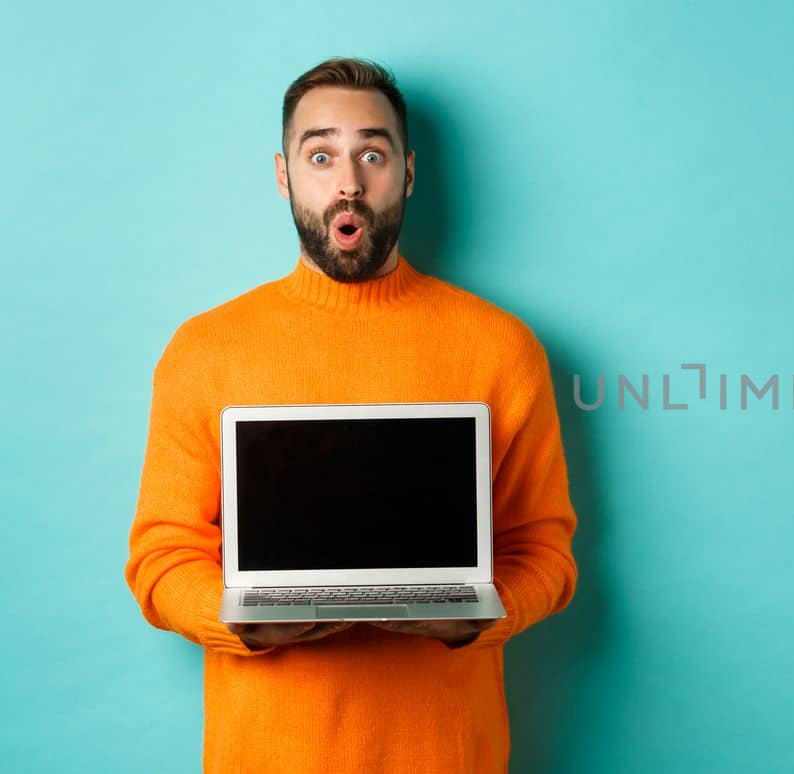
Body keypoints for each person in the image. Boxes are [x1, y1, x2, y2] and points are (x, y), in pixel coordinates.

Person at [123, 57, 579, 773]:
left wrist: (481, 618)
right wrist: (244, 620)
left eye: (372, 153)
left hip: (447, 756)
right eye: (321, 154)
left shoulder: (502, 347)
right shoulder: (204, 350)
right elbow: (159, 558)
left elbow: (546, 553)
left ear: (408, 172)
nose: (348, 181)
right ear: (284, 176)